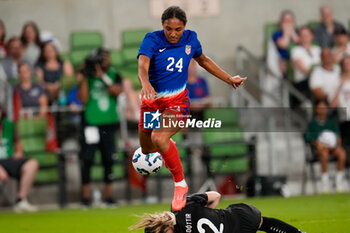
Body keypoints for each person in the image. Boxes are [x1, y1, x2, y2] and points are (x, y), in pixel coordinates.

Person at [137, 6, 246, 211]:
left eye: (178, 29)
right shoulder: (152, 40)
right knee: (147, 148)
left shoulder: (191, 39)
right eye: (169, 29)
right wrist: (145, 84)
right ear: (163, 26)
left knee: (158, 138)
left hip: (177, 103)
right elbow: (143, 65)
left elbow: (204, 60)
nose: (173, 34)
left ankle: (180, 184)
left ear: (184, 27)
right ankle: (167, 147)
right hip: (152, 102)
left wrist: (229, 79)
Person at [130, 191, 305, 233]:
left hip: (238, 222)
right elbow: (216, 196)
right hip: (239, 214)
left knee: (261, 224)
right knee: (263, 223)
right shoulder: (183, 206)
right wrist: (209, 213)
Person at [78, 48, 123, 207]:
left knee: (109, 159)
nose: (104, 60)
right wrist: (84, 75)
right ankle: (85, 198)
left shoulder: (113, 75)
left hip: (109, 124)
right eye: (100, 58)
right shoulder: (88, 77)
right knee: (87, 159)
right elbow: (83, 99)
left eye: (106, 57)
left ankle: (108, 196)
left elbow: (116, 91)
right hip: (90, 124)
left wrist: (102, 76)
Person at [0, 104, 39, 212]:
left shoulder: (9, 125)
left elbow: (17, 141)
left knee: (32, 163)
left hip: (9, 158)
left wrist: (19, 151)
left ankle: (21, 200)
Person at [305, 99, 347, 193]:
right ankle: (325, 185)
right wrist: (320, 145)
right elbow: (310, 139)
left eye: (324, 108)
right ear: (316, 109)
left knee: (342, 154)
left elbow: (338, 138)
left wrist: (333, 145)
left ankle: (339, 183)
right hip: (319, 149)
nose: (322, 110)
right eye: (320, 108)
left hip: (332, 147)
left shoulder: (332, 123)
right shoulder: (312, 124)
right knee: (324, 154)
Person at [291, 26, 321, 98]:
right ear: (299, 38)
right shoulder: (296, 50)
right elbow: (304, 70)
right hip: (303, 81)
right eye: (302, 36)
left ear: (312, 36)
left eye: (307, 35)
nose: (305, 38)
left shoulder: (318, 49)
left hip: (319, 78)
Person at [272, 10, 299, 75]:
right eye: (285, 21)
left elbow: (300, 44)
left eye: (290, 21)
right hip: (282, 61)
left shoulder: (298, 32)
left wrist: (292, 33)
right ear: (281, 22)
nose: (288, 23)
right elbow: (283, 45)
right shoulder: (277, 34)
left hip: (297, 60)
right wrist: (286, 34)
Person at [330, 56, 350, 145]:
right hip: (344, 118)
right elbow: (332, 105)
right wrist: (340, 86)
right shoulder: (336, 81)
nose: (348, 66)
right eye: (345, 63)